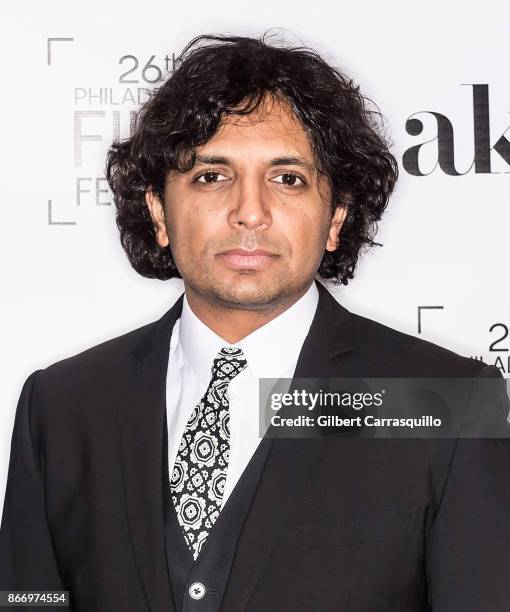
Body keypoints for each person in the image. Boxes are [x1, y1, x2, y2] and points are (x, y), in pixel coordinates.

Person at [1, 32, 509, 612]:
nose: (250, 211)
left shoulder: (447, 401)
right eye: (211, 176)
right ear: (159, 212)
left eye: (287, 178)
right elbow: (26, 599)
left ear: (336, 216)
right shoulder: (62, 405)